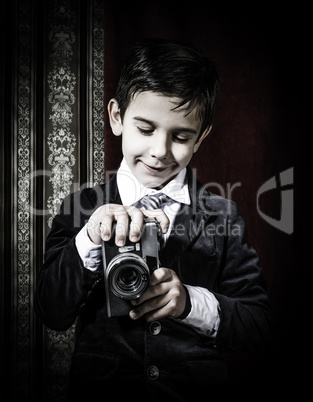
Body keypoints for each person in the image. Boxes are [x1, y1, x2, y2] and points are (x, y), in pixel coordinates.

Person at [35, 39, 271, 401]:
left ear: (202, 137)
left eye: (180, 136)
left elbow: (257, 324)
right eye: (145, 129)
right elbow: (52, 312)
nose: (160, 152)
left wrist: (190, 303)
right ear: (117, 118)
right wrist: (90, 237)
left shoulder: (223, 215)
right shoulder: (82, 207)